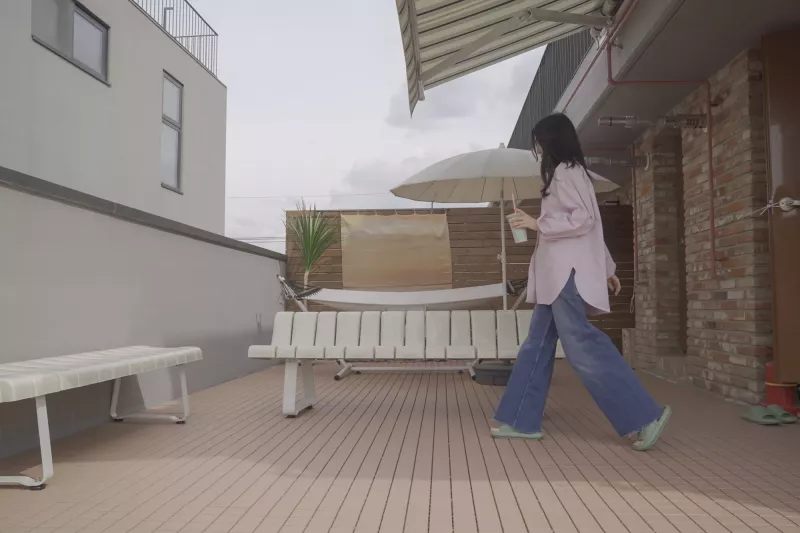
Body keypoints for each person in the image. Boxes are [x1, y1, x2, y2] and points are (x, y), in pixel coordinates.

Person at [492, 113, 670, 451]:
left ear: (551, 142)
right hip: (555, 276)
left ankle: (644, 416)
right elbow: (592, 225)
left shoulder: (566, 171)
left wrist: (537, 223)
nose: (538, 151)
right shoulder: (571, 172)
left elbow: (584, 220)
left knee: (582, 346)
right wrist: (606, 268)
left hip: (563, 275)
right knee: (537, 345)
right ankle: (521, 420)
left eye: (540, 144)